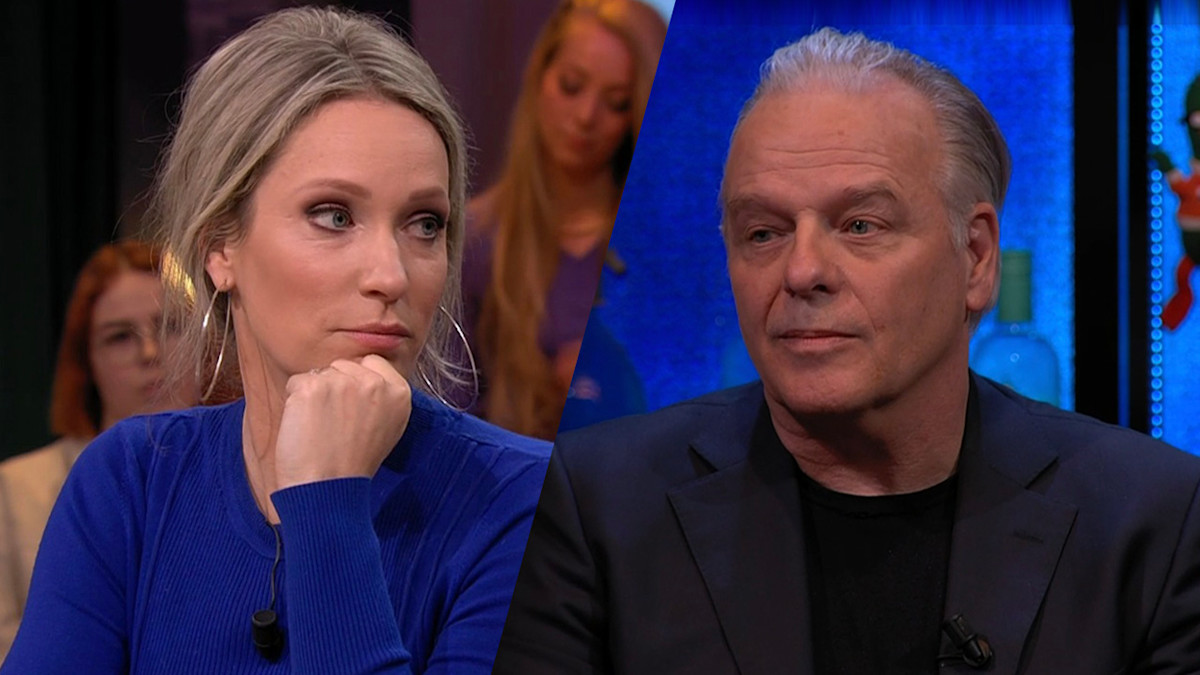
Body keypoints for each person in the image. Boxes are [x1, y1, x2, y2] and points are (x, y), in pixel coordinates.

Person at [493, 27, 1200, 673]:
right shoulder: (590, 511)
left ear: (977, 258)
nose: (802, 271)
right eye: (764, 233)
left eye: (860, 225)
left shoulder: (1156, 523)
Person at [3, 8, 550, 673]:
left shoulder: (525, 503)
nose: (391, 274)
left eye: (425, 223)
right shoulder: (130, 482)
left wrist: (327, 503)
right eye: (334, 215)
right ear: (219, 247)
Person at [462, 0, 666, 439]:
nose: (586, 117)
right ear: (540, 77)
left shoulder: (658, 245)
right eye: (572, 86)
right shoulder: (474, 240)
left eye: (616, 103)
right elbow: (451, 419)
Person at [0, 240, 197, 658]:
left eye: (169, 325)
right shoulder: (15, 489)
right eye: (120, 337)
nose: (150, 352)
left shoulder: (255, 468)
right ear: (86, 361)